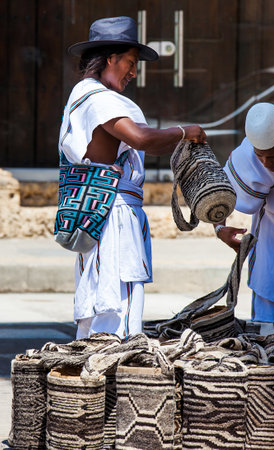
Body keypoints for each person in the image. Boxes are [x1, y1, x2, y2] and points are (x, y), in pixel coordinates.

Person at [59, 16, 206, 340]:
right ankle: (111, 383)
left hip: (108, 214)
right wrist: (185, 132)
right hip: (113, 219)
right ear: (110, 58)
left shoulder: (90, 95)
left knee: (103, 306)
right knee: (116, 312)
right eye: (131, 61)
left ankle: (97, 383)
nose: (134, 72)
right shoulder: (96, 98)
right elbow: (142, 139)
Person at [214, 102, 274, 330]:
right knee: (269, 335)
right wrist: (220, 228)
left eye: (273, 157)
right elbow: (222, 191)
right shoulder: (248, 155)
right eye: (261, 156)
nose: (266, 163)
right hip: (272, 246)